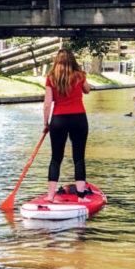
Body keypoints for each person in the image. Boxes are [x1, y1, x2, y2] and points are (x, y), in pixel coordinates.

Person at [43, 49, 91, 203]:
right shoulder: (80, 75)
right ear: (73, 61)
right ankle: (81, 196)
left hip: (58, 120)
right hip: (78, 119)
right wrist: (83, 81)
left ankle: (50, 196)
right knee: (79, 157)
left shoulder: (51, 78)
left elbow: (47, 104)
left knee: (56, 158)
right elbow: (87, 90)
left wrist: (46, 123)